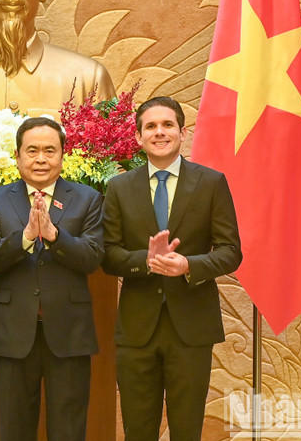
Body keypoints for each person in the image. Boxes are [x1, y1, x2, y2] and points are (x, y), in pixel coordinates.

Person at [102, 96, 242, 440]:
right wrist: (145, 261)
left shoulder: (211, 183)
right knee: (138, 429)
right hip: (137, 330)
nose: (159, 132)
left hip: (192, 327)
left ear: (183, 133)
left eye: (167, 125)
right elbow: (107, 255)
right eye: (150, 126)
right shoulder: (119, 187)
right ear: (138, 137)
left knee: (186, 429)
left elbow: (231, 252)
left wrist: (188, 265)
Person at [0, 116, 103, 441]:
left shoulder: (87, 199)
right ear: (18, 156)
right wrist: (24, 237)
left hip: (69, 332)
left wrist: (53, 235)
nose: (41, 159)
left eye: (50, 150)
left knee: (69, 430)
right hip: (14, 332)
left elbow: (92, 257)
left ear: (63, 155)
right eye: (32, 150)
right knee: (16, 429)